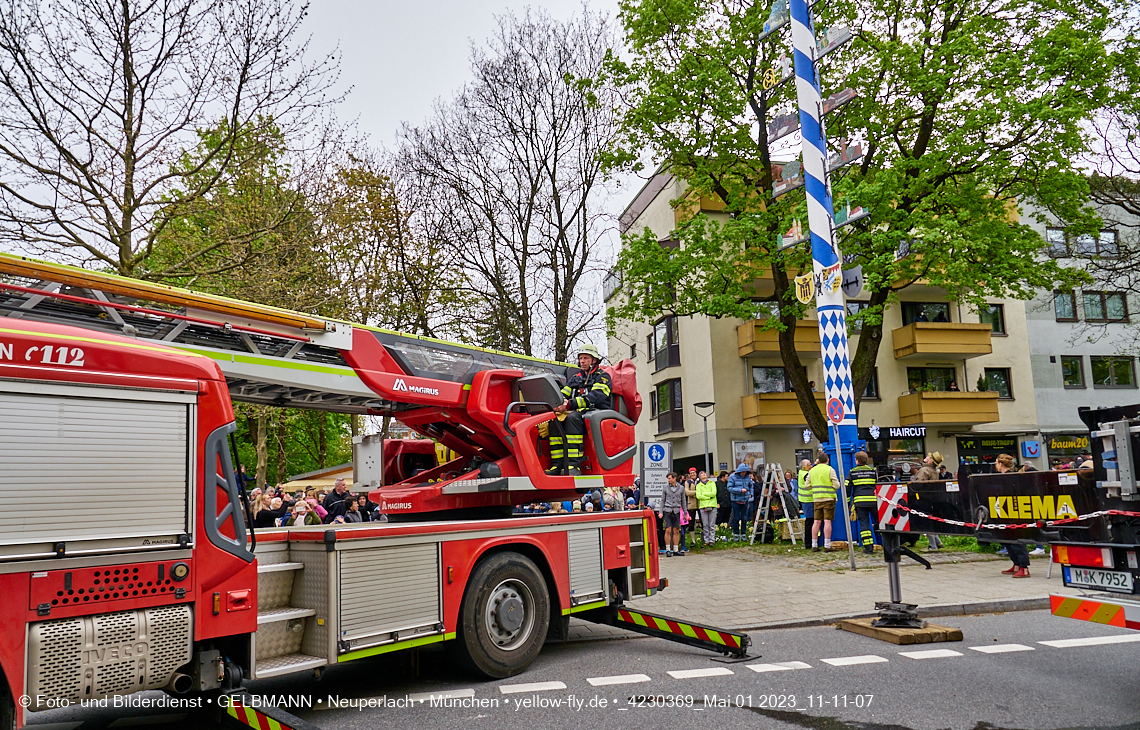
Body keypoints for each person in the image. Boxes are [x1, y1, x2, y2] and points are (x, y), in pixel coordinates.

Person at [542, 344, 612, 475]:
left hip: (596, 414)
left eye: (586, 358)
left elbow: (595, 397)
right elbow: (562, 394)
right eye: (580, 358)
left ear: (594, 360)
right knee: (554, 421)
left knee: (572, 418)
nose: (582, 361)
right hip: (578, 414)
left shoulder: (603, 377)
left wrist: (569, 405)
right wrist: (556, 404)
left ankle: (573, 466)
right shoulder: (575, 378)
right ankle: (557, 466)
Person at [995, 453, 1031, 577]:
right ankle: (1016, 564)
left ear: (1001, 464)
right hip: (1005, 511)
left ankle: (1024, 567)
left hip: (1015, 511)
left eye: (996, 463)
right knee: (1009, 539)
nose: (995, 465)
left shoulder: (1012, 477)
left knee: (1018, 539)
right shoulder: (1002, 477)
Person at [846, 451, 878, 555]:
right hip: (874, 501)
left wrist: (847, 503)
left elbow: (847, 487)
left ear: (857, 460)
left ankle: (868, 548)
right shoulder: (873, 471)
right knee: (880, 523)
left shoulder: (852, 472)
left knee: (864, 525)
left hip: (860, 502)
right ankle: (890, 544)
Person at [807, 453, 839, 552]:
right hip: (829, 498)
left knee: (816, 521)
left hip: (817, 499)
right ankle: (827, 545)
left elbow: (807, 484)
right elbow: (836, 485)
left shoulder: (812, 470)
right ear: (827, 460)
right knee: (827, 521)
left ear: (818, 460)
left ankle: (814, 545)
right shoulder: (830, 469)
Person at [661, 471, 685, 556]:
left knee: (676, 530)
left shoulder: (681, 488)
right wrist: (661, 511)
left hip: (676, 511)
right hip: (667, 510)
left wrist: (685, 512)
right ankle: (668, 549)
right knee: (667, 530)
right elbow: (662, 500)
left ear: (674, 478)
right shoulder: (665, 488)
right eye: (668, 478)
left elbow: (683, 501)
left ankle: (675, 549)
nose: (668, 480)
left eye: (669, 478)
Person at [727, 463, 752, 540]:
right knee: (736, 517)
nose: (744, 473)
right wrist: (740, 490)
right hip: (736, 500)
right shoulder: (732, 477)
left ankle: (743, 534)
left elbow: (751, 486)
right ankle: (736, 534)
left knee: (744, 518)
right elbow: (729, 488)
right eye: (742, 472)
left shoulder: (748, 477)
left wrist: (750, 493)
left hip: (745, 500)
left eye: (745, 472)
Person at [695, 470, 718, 547]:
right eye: (701, 474)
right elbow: (698, 496)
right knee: (705, 524)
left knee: (711, 524)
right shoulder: (698, 485)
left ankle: (712, 540)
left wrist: (704, 495)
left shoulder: (712, 483)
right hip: (703, 506)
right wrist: (708, 496)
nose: (704, 474)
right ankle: (706, 540)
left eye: (705, 473)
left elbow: (714, 493)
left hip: (712, 505)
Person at [798, 459, 815, 549]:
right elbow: (810, 477)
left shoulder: (801, 472)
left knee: (811, 521)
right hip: (808, 500)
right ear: (804, 467)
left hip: (806, 500)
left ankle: (811, 542)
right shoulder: (805, 474)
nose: (811, 466)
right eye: (809, 465)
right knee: (810, 522)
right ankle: (809, 543)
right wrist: (816, 465)